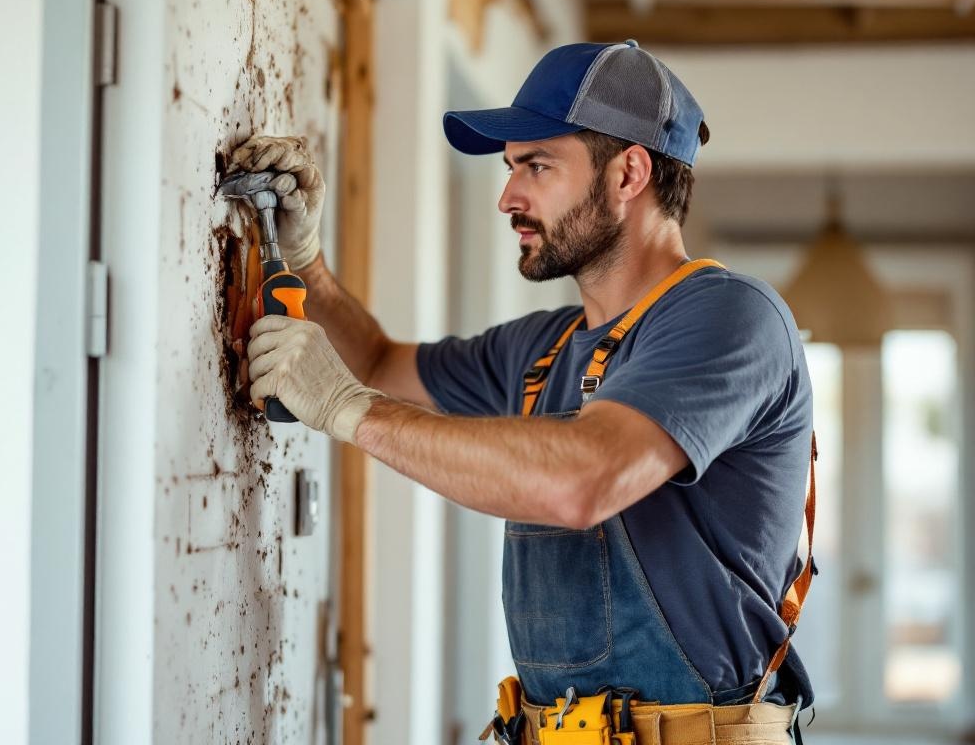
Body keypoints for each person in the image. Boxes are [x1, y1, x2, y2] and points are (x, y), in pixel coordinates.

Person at [233, 40, 816, 744]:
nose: (509, 195)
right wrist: (305, 262)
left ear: (630, 172)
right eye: (511, 168)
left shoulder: (730, 316)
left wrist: (350, 411)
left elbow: (586, 478)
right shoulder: (542, 349)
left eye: (537, 166)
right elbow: (379, 363)